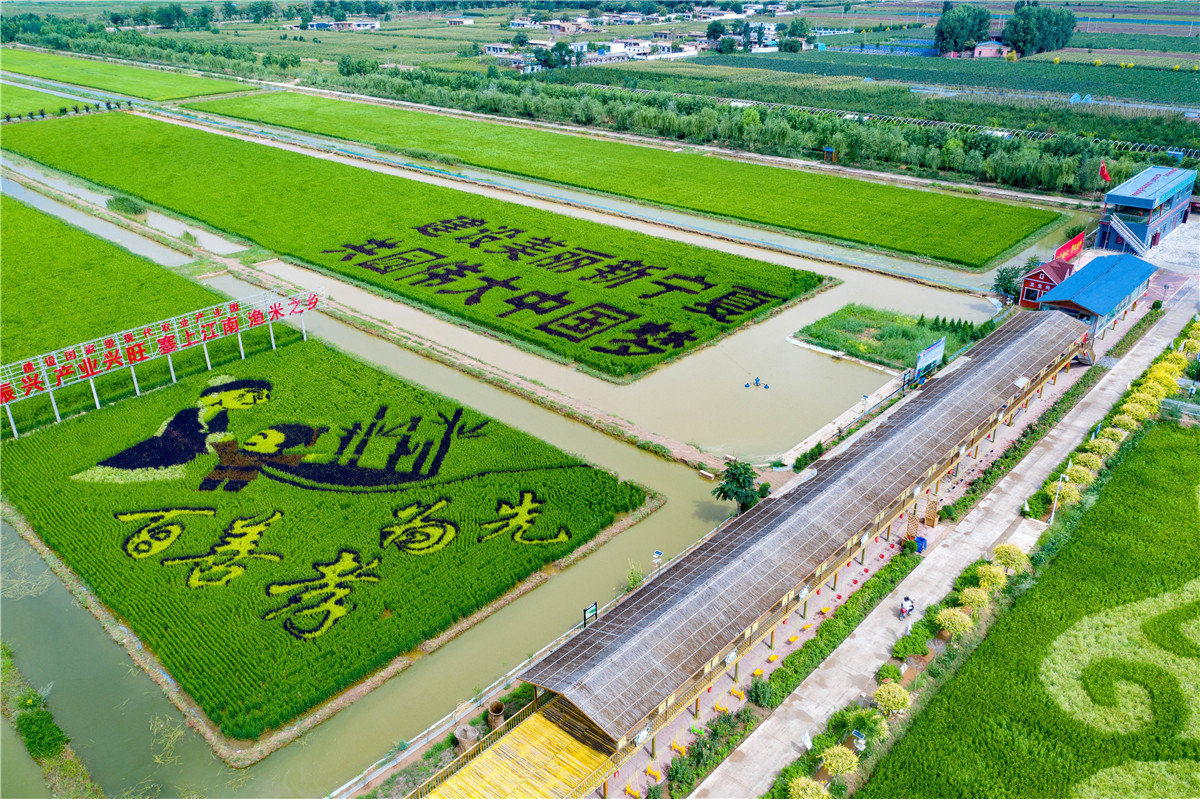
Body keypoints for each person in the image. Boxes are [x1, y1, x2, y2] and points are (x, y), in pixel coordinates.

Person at [74, 378, 273, 483]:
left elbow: (193, 446)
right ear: (225, 390)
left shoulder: (220, 423)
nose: (252, 400)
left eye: (257, 400)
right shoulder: (191, 413)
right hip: (147, 454)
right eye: (252, 393)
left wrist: (211, 444)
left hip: (167, 464)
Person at [199, 424, 326, 492]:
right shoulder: (235, 451)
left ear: (277, 447)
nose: (256, 437)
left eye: (264, 437)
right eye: (260, 434)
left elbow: (301, 458)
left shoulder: (275, 460)